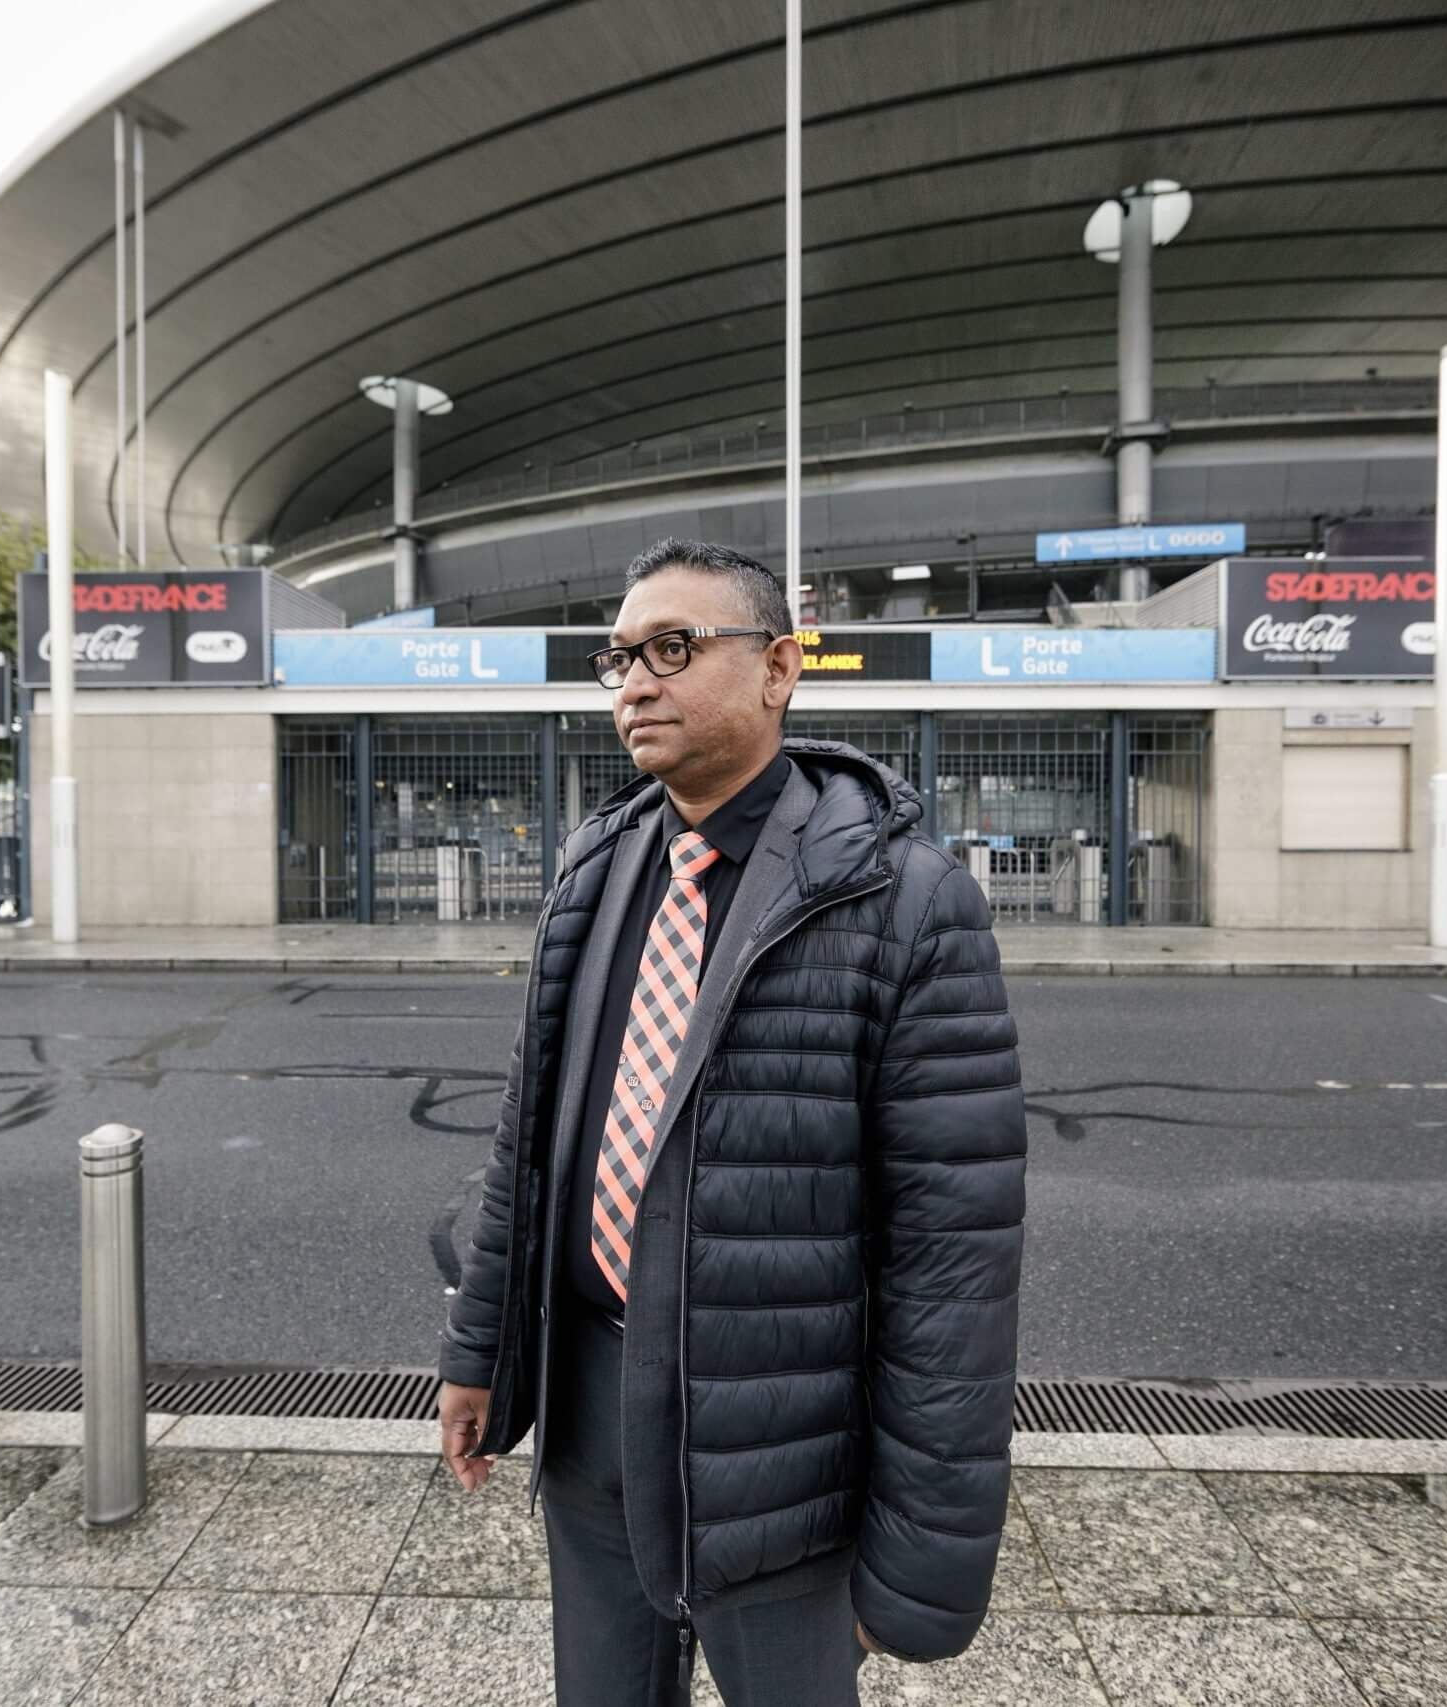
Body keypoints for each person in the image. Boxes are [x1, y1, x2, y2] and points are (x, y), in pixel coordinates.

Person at [434, 538, 1027, 1705]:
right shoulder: (596, 870)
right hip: (592, 1430)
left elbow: (952, 1262)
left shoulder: (904, 903)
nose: (636, 684)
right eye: (621, 657)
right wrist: (482, 1357)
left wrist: (912, 1568)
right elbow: (531, 1142)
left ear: (778, 669)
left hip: (787, 1471)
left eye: (673, 648)